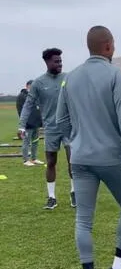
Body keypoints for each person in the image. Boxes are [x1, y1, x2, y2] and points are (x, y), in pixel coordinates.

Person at [56, 25, 121, 269]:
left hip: (81, 159)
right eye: (114, 44)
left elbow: (60, 121)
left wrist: (77, 141)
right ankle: (117, 268)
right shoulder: (116, 74)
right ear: (108, 46)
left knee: (83, 220)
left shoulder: (70, 77)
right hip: (111, 158)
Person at [18, 47, 75, 209]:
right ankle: (51, 197)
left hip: (69, 128)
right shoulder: (38, 83)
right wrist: (22, 126)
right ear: (47, 62)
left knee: (73, 160)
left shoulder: (68, 78)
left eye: (61, 61)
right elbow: (28, 106)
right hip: (50, 129)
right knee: (51, 162)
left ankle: (74, 192)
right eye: (56, 61)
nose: (60, 64)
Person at [16, 80, 44, 166]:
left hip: (36, 123)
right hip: (27, 124)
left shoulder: (34, 96)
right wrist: (23, 124)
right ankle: (26, 160)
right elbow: (22, 111)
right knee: (26, 142)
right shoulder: (22, 96)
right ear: (28, 86)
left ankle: (34, 158)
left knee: (35, 141)